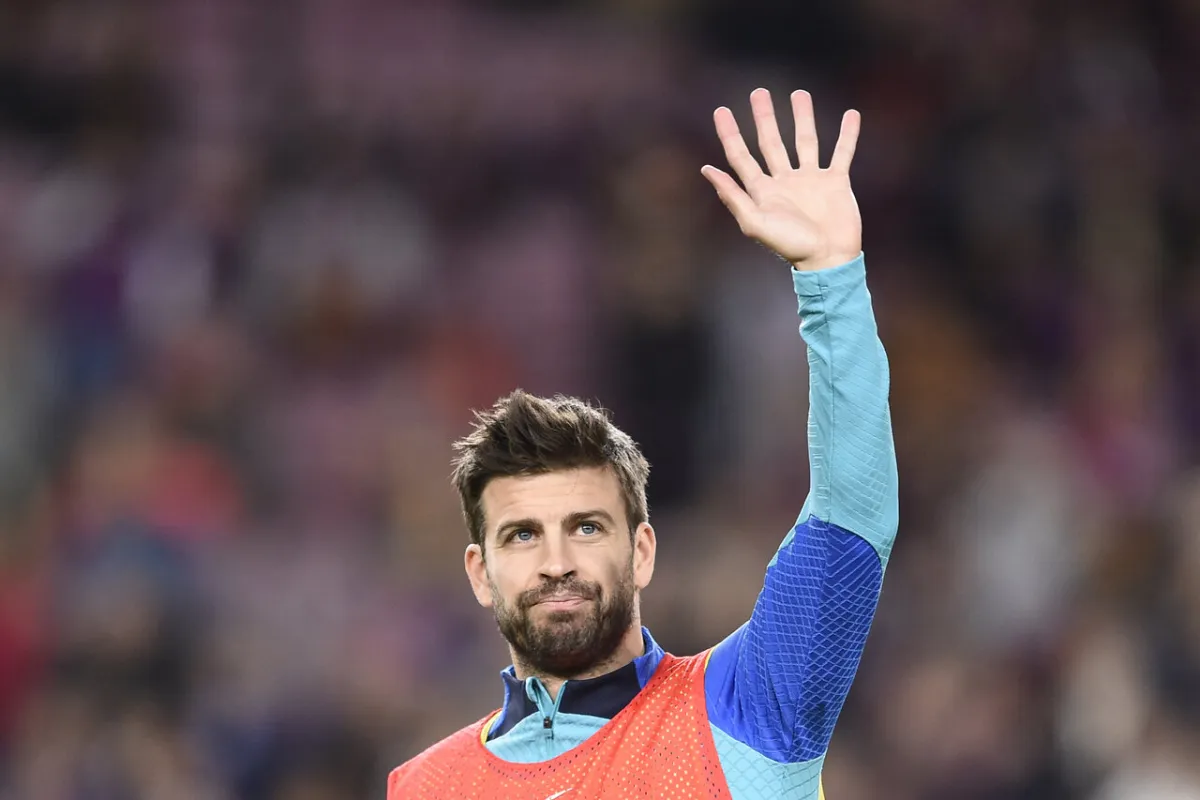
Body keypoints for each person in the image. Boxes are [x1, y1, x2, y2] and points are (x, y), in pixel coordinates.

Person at [388, 88, 898, 800]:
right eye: (522, 535)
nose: (556, 562)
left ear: (642, 549)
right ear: (479, 571)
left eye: (587, 526)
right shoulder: (423, 786)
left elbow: (854, 515)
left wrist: (830, 280)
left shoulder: (750, 709)